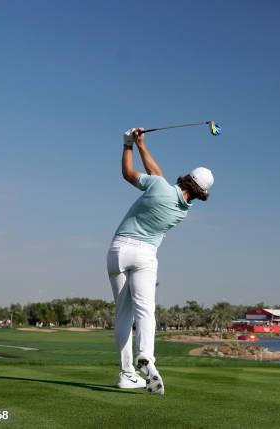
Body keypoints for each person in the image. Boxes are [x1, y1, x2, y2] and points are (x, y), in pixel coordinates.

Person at [107, 128, 214, 395]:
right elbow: (158, 176)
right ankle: (146, 357)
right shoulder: (182, 212)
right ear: (200, 193)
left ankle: (126, 374)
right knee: (145, 311)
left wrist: (128, 145)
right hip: (145, 255)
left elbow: (128, 174)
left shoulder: (158, 185)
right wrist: (141, 146)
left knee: (123, 314)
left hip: (118, 250)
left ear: (186, 177)